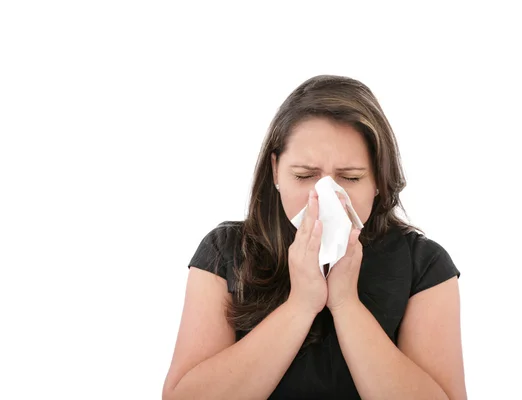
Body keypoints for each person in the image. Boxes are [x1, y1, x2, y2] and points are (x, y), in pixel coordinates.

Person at [162, 75, 467, 399]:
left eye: (350, 178)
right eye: (305, 175)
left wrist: (346, 304)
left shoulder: (424, 264)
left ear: (378, 179)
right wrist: (301, 305)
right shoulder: (225, 251)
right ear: (276, 170)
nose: (325, 197)